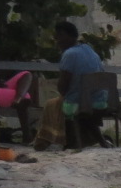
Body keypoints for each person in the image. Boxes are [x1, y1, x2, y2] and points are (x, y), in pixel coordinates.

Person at [33, 21, 107, 151]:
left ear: (72, 36)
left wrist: (63, 93)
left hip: (80, 102)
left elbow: (63, 87)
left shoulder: (69, 54)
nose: (57, 39)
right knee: (71, 103)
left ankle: (49, 140)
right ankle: (97, 140)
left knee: (52, 104)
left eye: (60, 35)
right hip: (99, 100)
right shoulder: (89, 50)